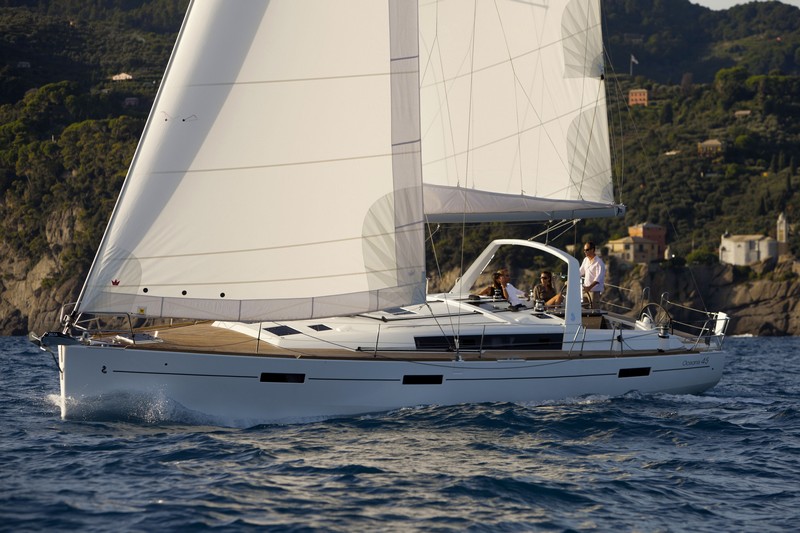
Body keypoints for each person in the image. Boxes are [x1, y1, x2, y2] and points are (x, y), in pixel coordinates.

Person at [580, 241, 605, 308]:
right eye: (584, 250)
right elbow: (580, 272)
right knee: (584, 310)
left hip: (594, 291)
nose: (585, 252)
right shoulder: (585, 260)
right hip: (585, 290)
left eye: (587, 250)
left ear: (593, 250)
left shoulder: (599, 262)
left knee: (594, 310)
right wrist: (570, 279)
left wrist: (589, 287)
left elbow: (598, 278)